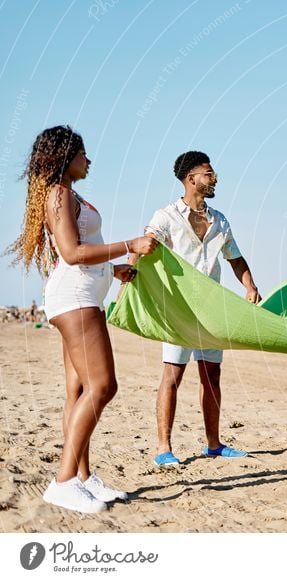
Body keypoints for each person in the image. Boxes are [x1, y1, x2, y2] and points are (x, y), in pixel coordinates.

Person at [5, 125, 157, 512]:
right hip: (74, 299)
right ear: (64, 157)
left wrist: (116, 269)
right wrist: (130, 245)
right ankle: (62, 481)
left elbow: (81, 253)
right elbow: (72, 254)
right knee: (103, 386)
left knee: (78, 392)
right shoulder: (59, 194)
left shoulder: (67, 194)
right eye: (82, 154)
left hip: (81, 295)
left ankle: (83, 479)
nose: (89, 160)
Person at [135, 151, 261, 466]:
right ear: (192, 178)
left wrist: (249, 285)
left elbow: (235, 257)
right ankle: (164, 448)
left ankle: (214, 444)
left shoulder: (220, 220)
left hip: (211, 312)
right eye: (208, 172)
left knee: (212, 376)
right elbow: (145, 244)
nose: (214, 176)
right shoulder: (167, 217)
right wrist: (130, 279)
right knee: (172, 376)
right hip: (178, 311)